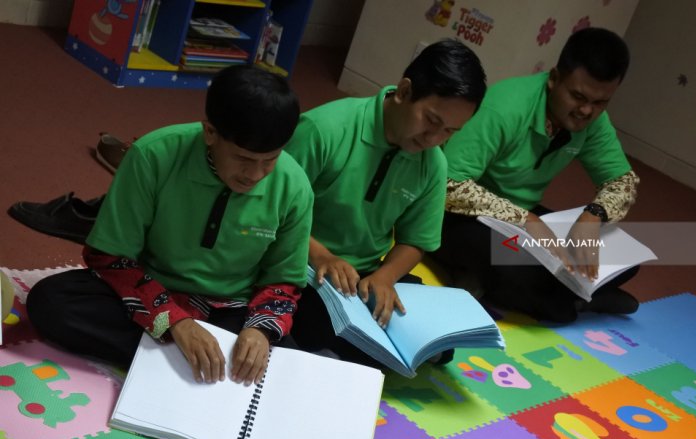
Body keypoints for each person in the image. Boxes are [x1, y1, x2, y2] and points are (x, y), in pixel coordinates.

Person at [27, 65, 313, 386]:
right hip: (152, 291)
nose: (256, 175)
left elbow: (283, 282)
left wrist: (258, 330)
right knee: (51, 302)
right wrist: (175, 321)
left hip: (230, 310)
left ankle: (175, 358)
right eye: (244, 159)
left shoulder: (294, 186)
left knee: (290, 369)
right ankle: (190, 359)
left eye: (270, 160)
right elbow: (109, 258)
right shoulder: (153, 156)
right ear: (210, 133)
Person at [286, 39, 487, 366]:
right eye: (431, 121)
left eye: (450, 131)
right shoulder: (326, 129)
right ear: (405, 91)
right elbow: (272, 211)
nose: (433, 139)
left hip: (365, 275)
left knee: (438, 339)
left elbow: (415, 241)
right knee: (317, 327)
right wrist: (322, 255)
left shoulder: (432, 163)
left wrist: (386, 276)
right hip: (302, 262)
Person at [431, 27, 640, 323]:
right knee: (516, 267)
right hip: (455, 216)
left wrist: (592, 216)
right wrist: (526, 221)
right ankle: (576, 304)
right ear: (554, 79)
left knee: (622, 255)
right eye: (578, 96)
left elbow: (623, 183)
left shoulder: (593, 120)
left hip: (522, 217)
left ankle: (546, 292)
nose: (586, 110)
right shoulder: (505, 107)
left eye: (600, 102)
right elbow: (447, 186)